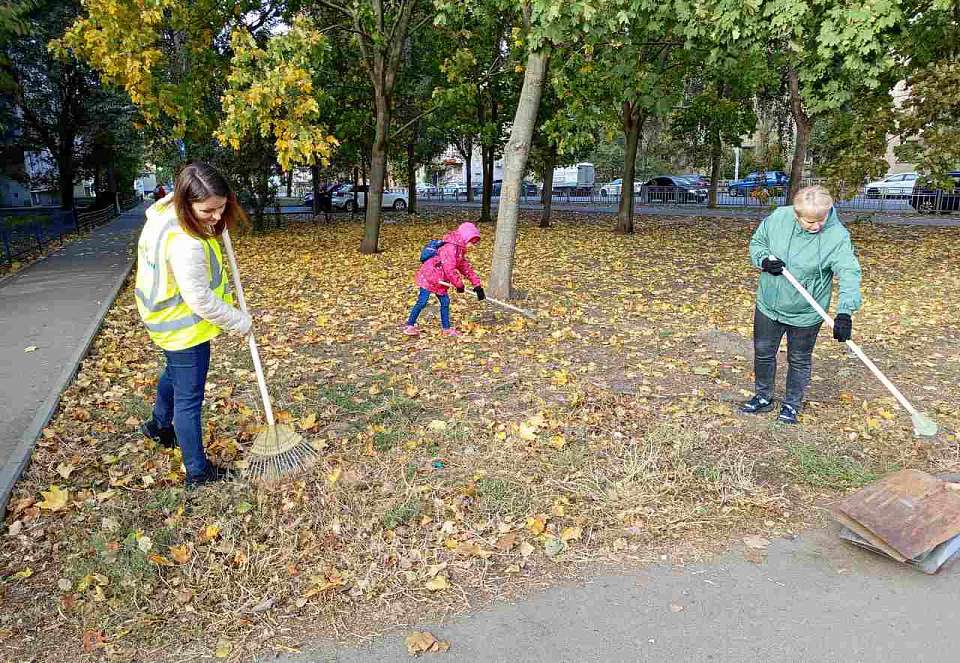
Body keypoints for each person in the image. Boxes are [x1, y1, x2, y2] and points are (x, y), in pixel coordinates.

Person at [135, 162, 252, 485]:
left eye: (221, 207)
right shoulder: (186, 244)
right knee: (189, 399)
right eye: (207, 210)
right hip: (182, 326)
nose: (216, 216)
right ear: (187, 203)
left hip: (159, 317)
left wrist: (210, 218)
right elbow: (200, 300)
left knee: (174, 372)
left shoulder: (164, 212)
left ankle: (158, 425)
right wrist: (240, 322)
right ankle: (198, 473)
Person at [740, 185, 862, 424]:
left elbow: (849, 272)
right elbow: (757, 243)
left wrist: (845, 312)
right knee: (764, 353)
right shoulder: (779, 218)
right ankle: (763, 396)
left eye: (821, 220)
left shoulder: (837, 236)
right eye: (809, 222)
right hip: (770, 303)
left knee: (799, 358)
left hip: (807, 312)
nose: (816, 226)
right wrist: (764, 260)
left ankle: (791, 404)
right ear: (796, 215)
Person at [404, 221, 485, 337]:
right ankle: (409, 325)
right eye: (472, 242)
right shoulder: (450, 248)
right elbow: (449, 269)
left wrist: (477, 286)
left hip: (441, 280)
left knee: (445, 302)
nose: (473, 246)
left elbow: (466, 268)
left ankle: (446, 328)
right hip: (429, 277)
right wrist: (459, 284)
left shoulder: (459, 250)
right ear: (465, 238)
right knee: (422, 302)